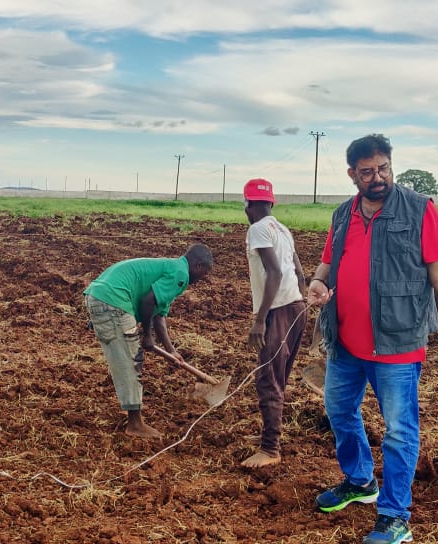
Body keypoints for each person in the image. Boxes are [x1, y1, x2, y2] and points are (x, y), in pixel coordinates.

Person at [306, 134, 438, 544]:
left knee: (399, 431)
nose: (378, 178)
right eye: (367, 171)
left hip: (397, 344)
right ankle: (359, 481)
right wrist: (318, 282)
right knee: (339, 412)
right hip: (346, 344)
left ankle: (394, 516)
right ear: (352, 174)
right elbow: (328, 262)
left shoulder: (420, 209)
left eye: (384, 168)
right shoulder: (342, 214)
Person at [83, 244, 213, 438]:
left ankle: (132, 414)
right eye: (204, 275)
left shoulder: (172, 268)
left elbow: (159, 316)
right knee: (131, 360)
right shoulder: (181, 274)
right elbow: (147, 302)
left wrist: (171, 351)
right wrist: (147, 335)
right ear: (199, 266)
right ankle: (135, 425)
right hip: (113, 299)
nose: (201, 280)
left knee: (129, 356)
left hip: (101, 296)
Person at [241, 178, 307, 468]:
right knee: (277, 377)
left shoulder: (257, 229)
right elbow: (300, 274)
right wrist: (301, 301)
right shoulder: (282, 229)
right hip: (296, 308)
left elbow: (275, 273)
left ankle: (270, 449)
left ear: (248, 205)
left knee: (268, 379)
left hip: (279, 312)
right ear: (271, 203)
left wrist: (260, 320)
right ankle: (271, 436)